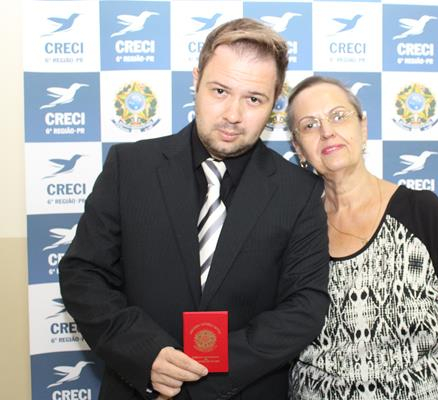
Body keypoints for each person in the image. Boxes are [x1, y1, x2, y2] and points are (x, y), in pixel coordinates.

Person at [59, 18, 330, 400]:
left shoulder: (299, 191)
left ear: (274, 101)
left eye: (254, 99)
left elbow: (304, 306)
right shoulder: (130, 167)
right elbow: (83, 274)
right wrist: (146, 355)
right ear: (196, 80)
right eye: (220, 91)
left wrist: (199, 375)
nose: (233, 114)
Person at [286, 76, 438, 400]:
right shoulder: (295, 229)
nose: (327, 132)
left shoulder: (422, 211)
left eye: (338, 116)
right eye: (310, 125)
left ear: (363, 127)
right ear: (298, 148)